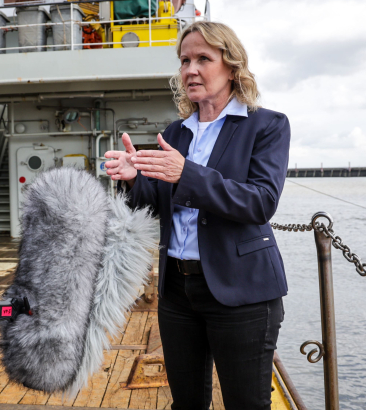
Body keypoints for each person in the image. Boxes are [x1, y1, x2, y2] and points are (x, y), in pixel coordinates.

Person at [105, 22, 290, 410]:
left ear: (232, 66)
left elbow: (261, 202)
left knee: (247, 404)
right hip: (177, 290)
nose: (190, 69)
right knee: (186, 404)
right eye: (185, 60)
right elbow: (157, 203)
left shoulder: (267, 125)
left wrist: (185, 173)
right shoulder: (177, 132)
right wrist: (133, 178)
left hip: (241, 293)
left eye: (203, 58)